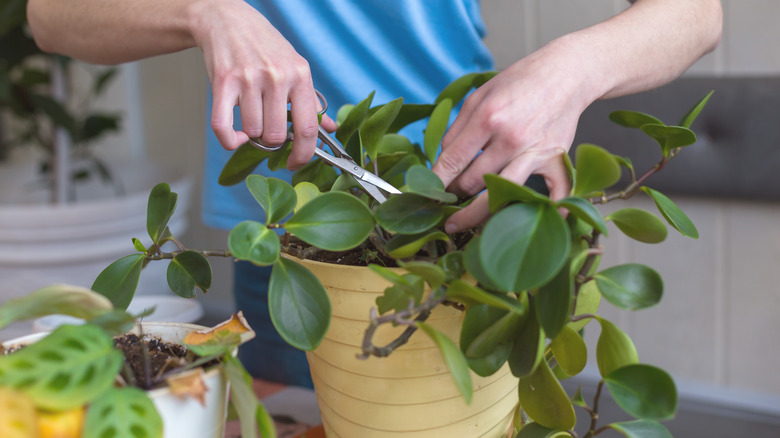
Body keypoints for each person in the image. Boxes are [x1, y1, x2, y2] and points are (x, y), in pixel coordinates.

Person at [27, 0, 722, 387]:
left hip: (475, 216)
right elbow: (53, 14)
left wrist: (572, 68)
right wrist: (207, 12)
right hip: (290, 246)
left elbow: (696, 13)